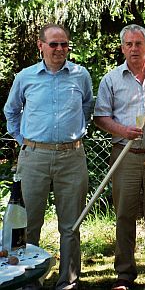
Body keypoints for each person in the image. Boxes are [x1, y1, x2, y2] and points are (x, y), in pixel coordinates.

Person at [3, 24, 93, 289]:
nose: (59, 49)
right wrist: (25, 142)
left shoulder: (81, 75)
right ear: (40, 46)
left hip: (72, 157)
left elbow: (87, 106)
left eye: (64, 44)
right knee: (28, 226)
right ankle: (28, 281)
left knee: (71, 226)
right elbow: (11, 111)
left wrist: (75, 133)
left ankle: (68, 281)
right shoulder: (26, 77)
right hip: (34, 158)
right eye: (53, 44)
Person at [94, 24, 145, 290]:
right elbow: (100, 118)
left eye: (138, 44)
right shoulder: (111, 79)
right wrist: (123, 131)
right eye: (128, 44)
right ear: (122, 48)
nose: (133, 49)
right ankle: (124, 275)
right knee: (124, 215)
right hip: (125, 155)